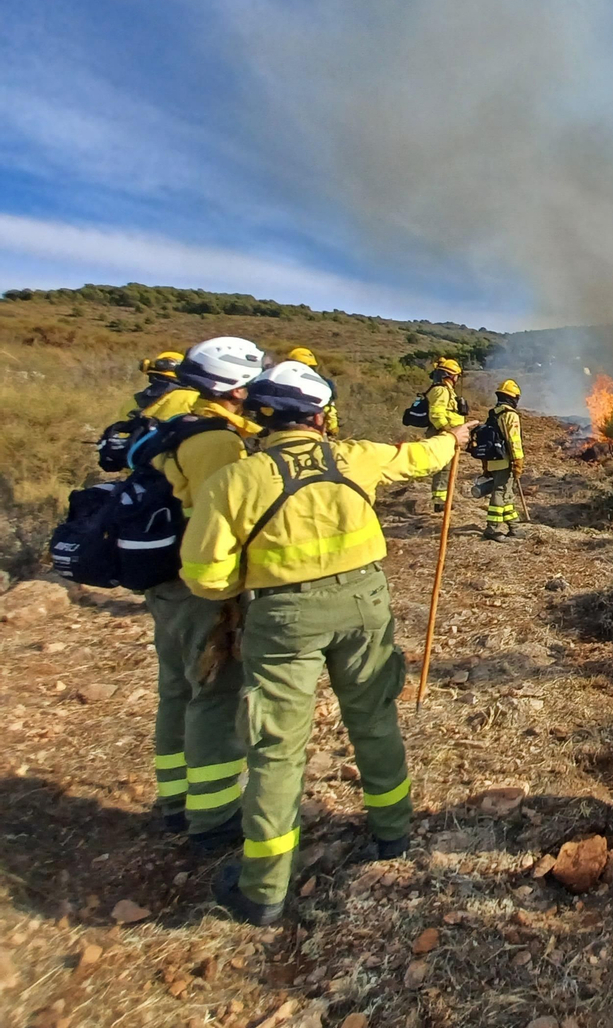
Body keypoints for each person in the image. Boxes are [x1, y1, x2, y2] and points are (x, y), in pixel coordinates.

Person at [181, 361, 476, 925]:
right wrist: (454, 438)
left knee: (276, 746)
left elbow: (205, 576)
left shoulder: (235, 480)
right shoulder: (354, 457)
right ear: (320, 415)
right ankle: (393, 833)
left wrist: (254, 581)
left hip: (282, 618)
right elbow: (421, 457)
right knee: (374, 717)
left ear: (261, 416)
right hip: (365, 605)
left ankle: (263, 888)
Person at [144, 337, 266, 851]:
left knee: (176, 688)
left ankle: (174, 802)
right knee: (214, 695)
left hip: (165, 579)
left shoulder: (174, 419)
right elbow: (224, 526)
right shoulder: (218, 443)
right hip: (200, 586)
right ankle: (214, 819)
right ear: (234, 388)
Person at [480, 379, 525, 540]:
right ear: (513, 398)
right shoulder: (510, 415)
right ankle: (492, 529)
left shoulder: (494, 413)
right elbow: (514, 441)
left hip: (493, 459)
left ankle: (514, 526)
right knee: (500, 492)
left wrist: (485, 464)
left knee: (507, 493)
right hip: (504, 460)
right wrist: (518, 461)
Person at [425, 358, 467, 513]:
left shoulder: (446, 390)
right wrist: (447, 431)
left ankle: (442, 500)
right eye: (456, 375)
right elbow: (436, 414)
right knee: (443, 468)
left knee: (446, 468)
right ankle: (440, 503)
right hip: (443, 434)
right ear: (449, 375)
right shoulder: (441, 390)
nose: (457, 379)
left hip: (448, 434)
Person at [285, 348, 339, 437]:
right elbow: (329, 409)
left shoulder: (278, 379)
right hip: (312, 430)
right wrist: (332, 428)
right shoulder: (323, 383)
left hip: (279, 430)